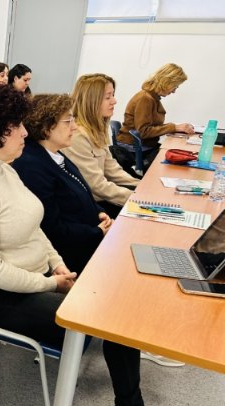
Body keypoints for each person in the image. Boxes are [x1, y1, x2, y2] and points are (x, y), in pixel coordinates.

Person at [0, 83, 179, 406]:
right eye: (15, 126)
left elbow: (36, 226)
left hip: (38, 277)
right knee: (107, 316)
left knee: (116, 305)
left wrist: (57, 263)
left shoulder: (2, 169)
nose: (24, 131)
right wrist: (51, 283)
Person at [13, 93, 112, 274]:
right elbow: (52, 228)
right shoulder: (32, 165)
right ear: (46, 127)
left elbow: (80, 191)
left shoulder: (55, 153)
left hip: (87, 239)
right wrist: (96, 233)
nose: (74, 127)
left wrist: (99, 212)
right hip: (69, 257)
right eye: (68, 121)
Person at [63, 73, 139, 218]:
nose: (114, 101)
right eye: (108, 97)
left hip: (103, 196)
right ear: (92, 101)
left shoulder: (96, 129)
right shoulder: (78, 136)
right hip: (92, 205)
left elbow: (112, 170)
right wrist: (137, 198)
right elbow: (96, 185)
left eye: (113, 95)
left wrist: (141, 186)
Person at [116, 63, 194, 167]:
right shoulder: (145, 99)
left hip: (140, 145)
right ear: (166, 82)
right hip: (133, 147)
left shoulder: (152, 97)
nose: (174, 91)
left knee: (176, 154)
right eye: (175, 86)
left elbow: (148, 127)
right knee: (175, 162)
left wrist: (175, 128)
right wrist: (173, 127)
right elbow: (143, 132)